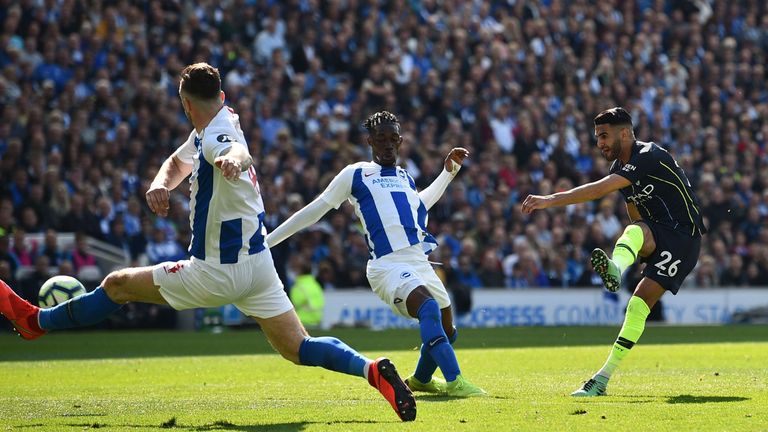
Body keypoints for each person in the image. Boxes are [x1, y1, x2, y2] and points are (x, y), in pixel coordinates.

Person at [0, 63, 416, 422]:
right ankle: (372, 370)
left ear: (185, 104)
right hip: (258, 266)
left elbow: (234, 150)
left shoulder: (218, 136)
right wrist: (161, 184)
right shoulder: (217, 120)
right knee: (297, 346)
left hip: (217, 270)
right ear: (220, 94)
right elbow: (179, 160)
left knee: (117, 285)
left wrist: (236, 159)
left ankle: (36, 322)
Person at [267, 110, 487, 397]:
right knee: (428, 308)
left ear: (400, 141)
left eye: (392, 138)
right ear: (370, 141)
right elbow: (315, 210)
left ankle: (421, 380)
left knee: (448, 328)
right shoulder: (356, 174)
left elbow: (420, 205)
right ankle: (455, 380)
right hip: (388, 265)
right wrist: (268, 241)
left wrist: (448, 173)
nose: (387, 144)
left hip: (418, 261)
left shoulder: (405, 177)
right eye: (380, 138)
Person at [522, 107, 706, 396]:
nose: (600, 144)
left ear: (625, 133)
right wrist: (641, 249)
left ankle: (602, 375)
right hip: (657, 233)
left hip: (684, 238)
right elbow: (634, 213)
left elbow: (598, 190)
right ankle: (616, 272)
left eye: (604, 136)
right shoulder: (620, 169)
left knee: (638, 300)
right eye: (597, 138)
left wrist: (549, 200)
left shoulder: (648, 155)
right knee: (634, 242)